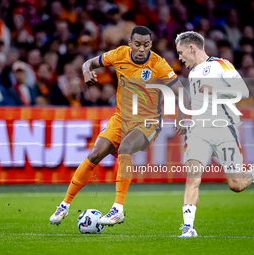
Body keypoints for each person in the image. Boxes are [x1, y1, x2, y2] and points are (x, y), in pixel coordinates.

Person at [50, 26, 189, 226]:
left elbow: (181, 93)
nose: (142, 49)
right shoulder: (119, 54)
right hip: (120, 119)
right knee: (94, 155)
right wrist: (86, 71)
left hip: (147, 122)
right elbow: (89, 62)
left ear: (150, 44)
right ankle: (64, 205)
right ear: (130, 43)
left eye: (146, 45)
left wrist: (182, 117)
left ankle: (118, 209)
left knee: (125, 148)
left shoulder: (158, 64)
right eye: (138, 44)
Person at [175, 31, 254, 238]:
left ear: (192, 48)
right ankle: (188, 227)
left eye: (181, 53)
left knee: (236, 185)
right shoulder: (192, 74)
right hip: (199, 131)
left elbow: (243, 91)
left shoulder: (221, 64)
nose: (180, 58)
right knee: (193, 177)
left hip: (224, 130)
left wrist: (217, 90)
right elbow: (198, 101)